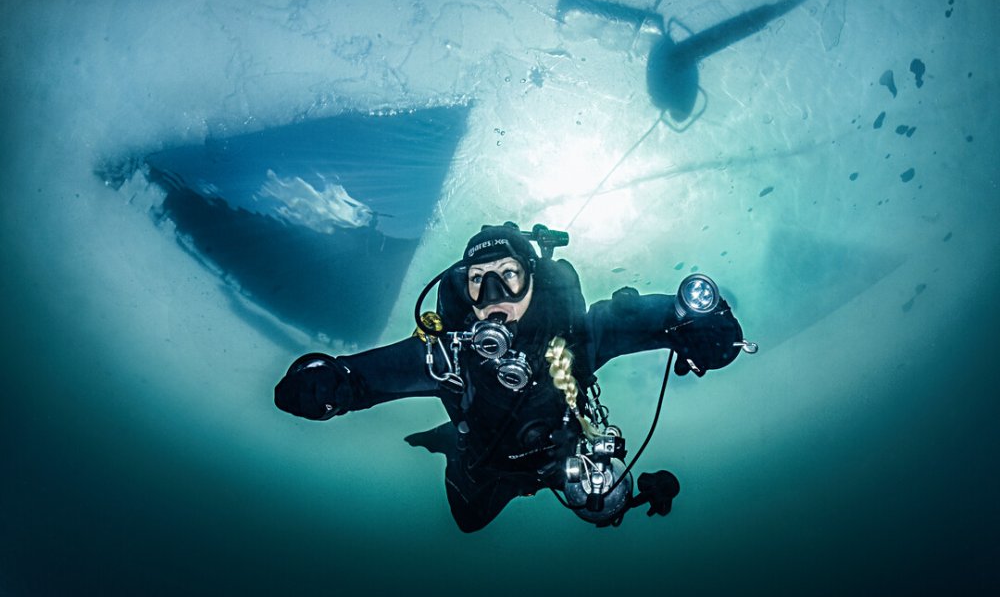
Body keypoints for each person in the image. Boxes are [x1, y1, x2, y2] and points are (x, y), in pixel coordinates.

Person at [274, 222, 749, 532]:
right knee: (468, 520)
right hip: (487, 466)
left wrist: (701, 326)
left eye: (509, 275)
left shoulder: (576, 336)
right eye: (479, 279)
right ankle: (450, 443)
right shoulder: (449, 354)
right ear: (465, 288)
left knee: (602, 508)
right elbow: (363, 378)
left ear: (533, 278)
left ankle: (459, 442)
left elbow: (657, 319)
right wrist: (329, 382)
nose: (494, 292)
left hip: (561, 458)